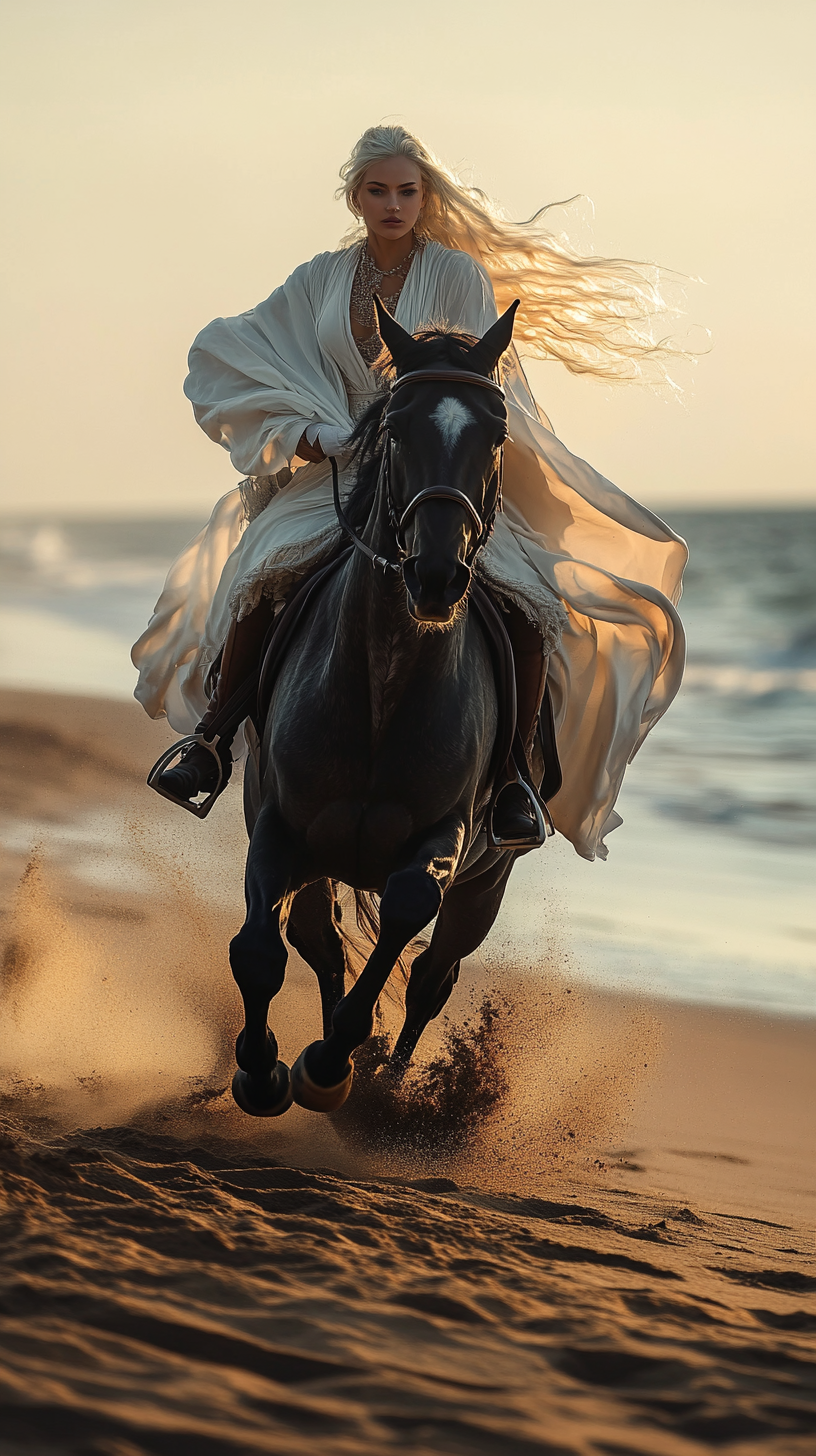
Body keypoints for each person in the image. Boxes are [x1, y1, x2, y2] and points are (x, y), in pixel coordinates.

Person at [132, 125, 687, 860]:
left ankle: (517, 777)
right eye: (378, 191)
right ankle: (214, 740)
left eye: (407, 190)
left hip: (439, 471)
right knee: (262, 569)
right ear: (355, 197)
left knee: (529, 598)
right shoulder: (317, 280)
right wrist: (309, 435)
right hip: (344, 470)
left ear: (426, 197)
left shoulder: (458, 275)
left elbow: (471, 381)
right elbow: (232, 350)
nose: (393, 204)